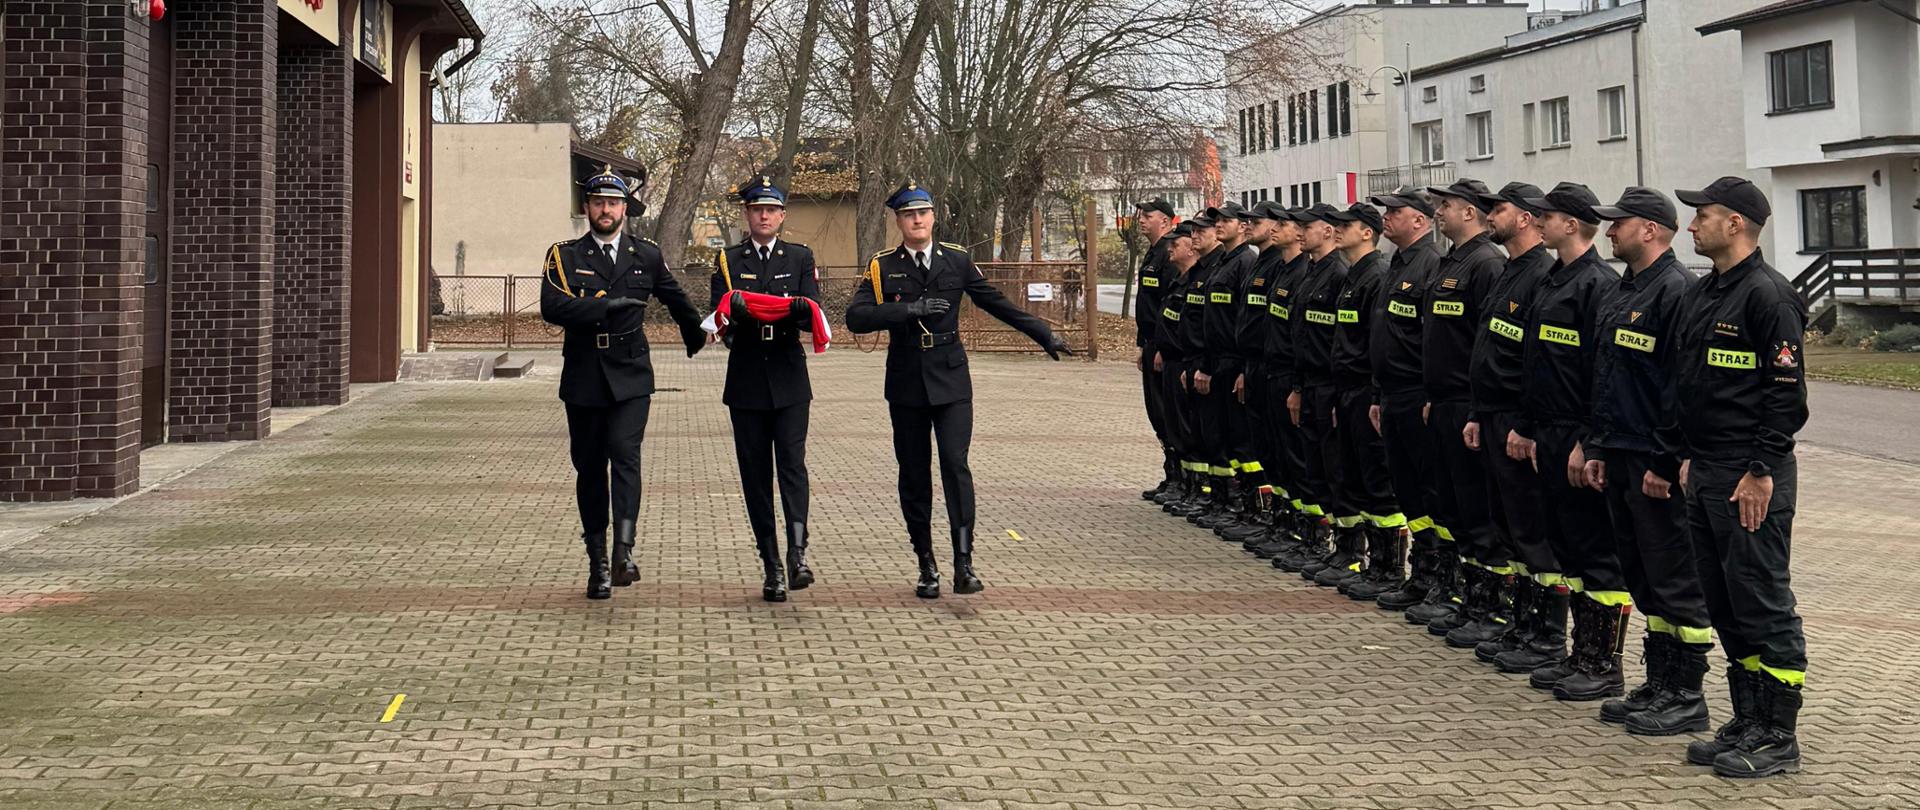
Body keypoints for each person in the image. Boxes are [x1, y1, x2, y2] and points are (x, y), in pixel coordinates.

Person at [845, 181, 1074, 598]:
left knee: (955, 464)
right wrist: (907, 310)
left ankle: (964, 563)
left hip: (951, 377)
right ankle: (926, 564)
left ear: (933, 217)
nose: (917, 220)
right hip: (907, 379)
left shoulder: (956, 260)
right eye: (909, 214)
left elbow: (995, 302)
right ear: (898, 221)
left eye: (924, 212)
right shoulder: (883, 266)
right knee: (914, 474)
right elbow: (856, 317)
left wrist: (1043, 334)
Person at [1672, 176, 1808, 779]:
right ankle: (1749, 718)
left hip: (1749, 473)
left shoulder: (1767, 296)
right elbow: (1694, 382)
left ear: (1737, 225)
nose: (1692, 225)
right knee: (1725, 600)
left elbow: (1786, 398)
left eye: (1703, 215)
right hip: (1706, 468)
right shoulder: (1708, 293)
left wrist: (1759, 470)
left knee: (1762, 601)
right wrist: (1687, 455)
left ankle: (1779, 734)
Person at [540, 165, 706, 600]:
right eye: (599, 203)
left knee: (626, 455)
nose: (606, 210)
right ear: (588, 208)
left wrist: (700, 335)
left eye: (613, 203)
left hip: (632, 372)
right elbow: (552, 306)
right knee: (591, 467)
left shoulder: (645, 254)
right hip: (584, 374)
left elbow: (674, 296)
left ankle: (624, 551)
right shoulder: (564, 255)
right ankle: (596, 561)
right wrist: (604, 307)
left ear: (625, 209)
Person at [1585, 187, 1715, 735]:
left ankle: (1687, 693)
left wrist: (1665, 461)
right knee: (1641, 575)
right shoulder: (1624, 291)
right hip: (1618, 452)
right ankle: (1659, 682)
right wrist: (1595, 446)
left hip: (1651, 460)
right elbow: (1607, 378)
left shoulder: (1676, 292)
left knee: (1674, 577)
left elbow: (1678, 389)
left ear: (1651, 230)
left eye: (1620, 223)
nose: (1609, 232)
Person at [1508, 182, 1626, 700]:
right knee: (1567, 547)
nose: (1540, 221)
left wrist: (1587, 441)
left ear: (1571, 224)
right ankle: (1579, 653)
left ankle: (1603, 663)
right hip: (1549, 430)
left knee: (1595, 549)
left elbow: (1598, 372)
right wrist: (1532, 428)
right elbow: (1539, 365)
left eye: (1548, 215)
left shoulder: (1596, 284)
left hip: (1577, 434)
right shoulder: (1555, 279)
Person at [707, 176, 822, 602]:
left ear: (782, 216)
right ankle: (771, 564)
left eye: (772, 209)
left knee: (792, 467)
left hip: (790, 376)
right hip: (748, 379)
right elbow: (720, 323)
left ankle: (797, 554)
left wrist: (795, 312)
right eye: (757, 209)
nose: (765, 215)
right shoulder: (728, 260)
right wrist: (735, 317)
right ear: (748, 214)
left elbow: (812, 312)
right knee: (756, 477)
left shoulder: (800, 257)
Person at [1453, 182, 1555, 654]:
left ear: (1528, 217)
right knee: (1506, 526)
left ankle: (1546, 633)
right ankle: (1519, 622)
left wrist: (1526, 424)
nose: (1490, 215)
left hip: (1518, 419)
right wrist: (1478, 411)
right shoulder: (1509, 271)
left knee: (1532, 529)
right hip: (1491, 415)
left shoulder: (1540, 275)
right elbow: (1485, 347)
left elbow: (1537, 363)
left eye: (1500, 208)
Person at [1414, 179, 1504, 633]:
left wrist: (1473, 408)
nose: (1438, 213)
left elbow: (1484, 346)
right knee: (1450, 505)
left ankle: (1490, 605)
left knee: (1477, 509)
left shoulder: (1486, 263)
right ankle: (1458, 592)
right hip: (1443, 402)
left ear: (1470, 212)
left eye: (1445, 205)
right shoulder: (1452, 261)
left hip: (1468, 404)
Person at [1363, 188, 1445, 613]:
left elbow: (1431, 341)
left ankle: (1435, 577)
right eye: (1386, 212)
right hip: (1392, 394)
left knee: (1428, 489)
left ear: (1421, 220)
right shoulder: (1398, 263)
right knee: (1408, 490)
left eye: (1396, 212)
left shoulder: (1430, 264)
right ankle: (1422, 575)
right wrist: (1378, 395)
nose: (1387, 218)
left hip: (1417, 395)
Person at [1326, 202, 1405, 601]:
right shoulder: (1354, 275)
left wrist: (1372, 392)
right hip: (1347, 388)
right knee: (1352, 474)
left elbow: (1375, 343)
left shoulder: (1374, 275)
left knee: (1377, 479)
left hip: (1364, 387)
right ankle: (1358, 555)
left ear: (1367, 233)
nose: (1338, 230)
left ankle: (1387, 566)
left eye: (1347, 225)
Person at [1285, 203, 1352, 587]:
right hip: (1308, 383)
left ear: (1326, 231)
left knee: (1337, 470)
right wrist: (1298, 386)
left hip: (1332, 386)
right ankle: (1320, 540)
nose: (1299, 232)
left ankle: (1350, 551)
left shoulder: (1338, 274)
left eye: (1306, 227)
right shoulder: (1313, 272)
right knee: (1312, 465)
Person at [1133, 198, 1180, 503]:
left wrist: (1163, 346)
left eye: (1147, 216)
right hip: (1150, 344)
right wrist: (1142, 344)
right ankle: (1171, 474)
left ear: (1164, 220)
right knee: (1156, 412)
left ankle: (1180, 478)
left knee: (1168, 413)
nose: (1140, 220)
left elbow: (1169, 306)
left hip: (1163, 348)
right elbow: (1147, 305)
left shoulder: (1169, 254)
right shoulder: (1152, 253)